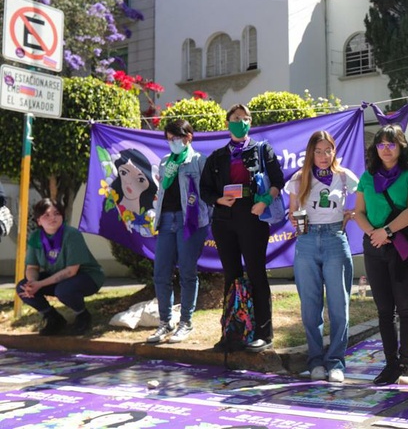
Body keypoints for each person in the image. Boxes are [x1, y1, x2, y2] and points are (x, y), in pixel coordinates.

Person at [200, 104, 285, 353]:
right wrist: (218, 199)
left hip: (253, 217)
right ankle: (233, 332)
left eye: (246, 118)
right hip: (224, 220)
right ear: (228, 122)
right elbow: (205, 189)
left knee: (256, 273)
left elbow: (278, 180)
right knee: (231, 275)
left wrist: (264, 202)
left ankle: (263, 334)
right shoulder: (217, 156)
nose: (242, 122)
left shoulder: (262, 149)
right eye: (237, 118)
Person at [353, 124, 408, 385]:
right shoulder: (367, 177)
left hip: (404, 248)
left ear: (401, 147)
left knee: (405, 307)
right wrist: (373, 233)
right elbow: (358, 212)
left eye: (391, 144)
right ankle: (390, 365)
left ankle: (405, 363)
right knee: (384, 310)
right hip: (375, 248)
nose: (385, 149)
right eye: (381, 144)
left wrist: (386, 231)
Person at [287, 131, 359, 383]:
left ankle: (336, 361)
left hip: (335, 240)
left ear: (334, 151)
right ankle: (315, 361)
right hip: (307, 242)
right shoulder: (299, 178)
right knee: (310, 307)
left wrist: (353, 213)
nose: (323, 156)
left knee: (339, 306)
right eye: (318, 151)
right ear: (311, 153)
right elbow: (292, 211)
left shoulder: (344, 176)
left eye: (328, 150)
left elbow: (364, 197)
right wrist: (296, 220)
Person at [147, 119, 211, 344]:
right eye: (169, 139)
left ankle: (186, 322)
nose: (172, 142)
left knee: (187, 272)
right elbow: (162, 191)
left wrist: (205, 218)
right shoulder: (165, 162)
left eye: (176, 138)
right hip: (166, 220)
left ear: (188, 137)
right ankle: (165, 321)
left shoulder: (199, 160)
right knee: (161, 273)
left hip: (189, 222)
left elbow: (208, 194)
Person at [16, 198, 105, 336]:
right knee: (22, 287)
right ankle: (53, 318)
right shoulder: (35, 237)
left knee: (64, 290)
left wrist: (40, 284)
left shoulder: (71, 234)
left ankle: (83, 315)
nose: (53, 218)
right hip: (57, 277)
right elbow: (32, 267)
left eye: (56, 213)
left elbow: (71, 271)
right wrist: (32, 283)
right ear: (39, 221)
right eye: (46, 215)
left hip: (86, 277)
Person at [109, 148, 158, 236]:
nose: (130, 182)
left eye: (140, 179)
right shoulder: (111, 205)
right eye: (124, 173)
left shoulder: (150, 215)